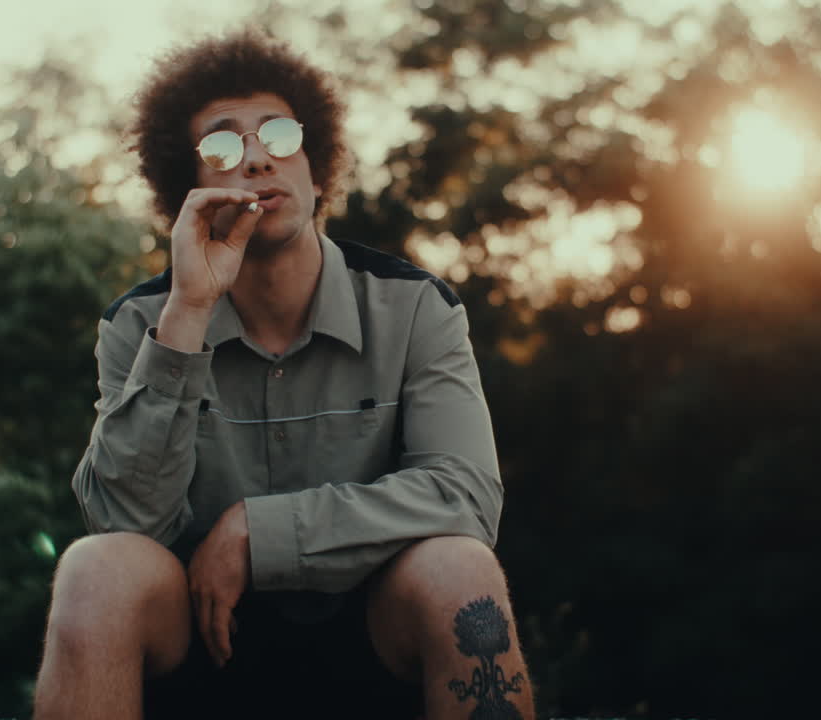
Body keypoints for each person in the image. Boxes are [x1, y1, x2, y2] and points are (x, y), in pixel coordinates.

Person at [32, 29, 534, 720]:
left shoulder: (415, 308)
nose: (257, 158)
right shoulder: (139, 324)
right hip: (196, 645)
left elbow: (465, 497)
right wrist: (188, 313)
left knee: (464, 571)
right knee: (94, 569)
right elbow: (124, 521)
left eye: (278, 135)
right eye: (221, 147)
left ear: (317, 168)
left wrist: (259, 534)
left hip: (373, 632)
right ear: (189, 192)